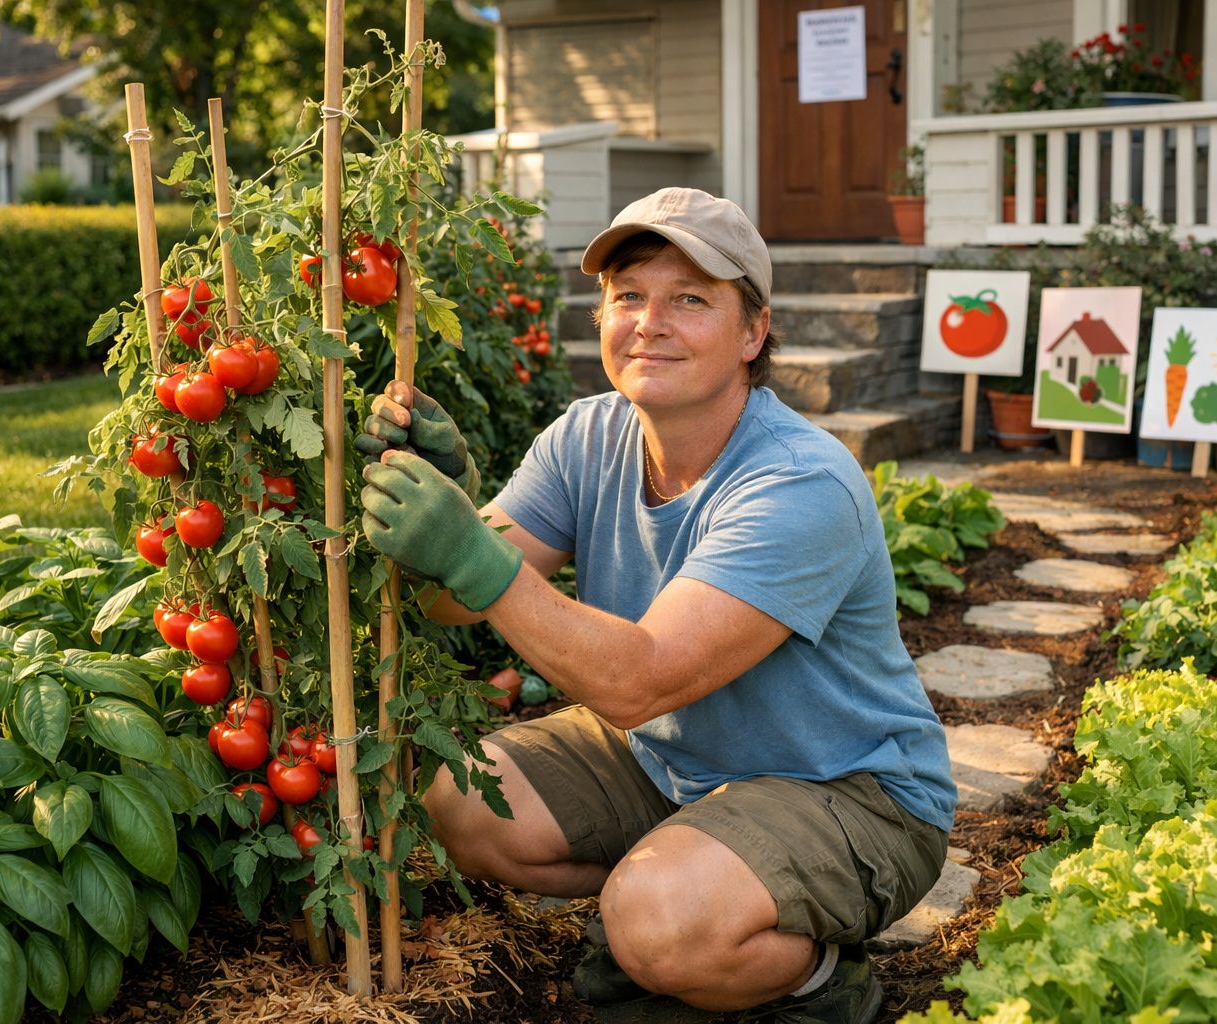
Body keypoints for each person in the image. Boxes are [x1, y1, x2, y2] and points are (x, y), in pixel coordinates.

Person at [355, 187, 955, 1023]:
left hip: (848, 790)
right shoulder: (586, 435)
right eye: (628, 296)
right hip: (668, 761)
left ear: (753, 332)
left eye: (691, 300)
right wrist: (445, 504)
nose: (650, 322)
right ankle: (686, 899)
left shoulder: (799, 481)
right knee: (461, 800)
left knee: (657, 922)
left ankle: (814, 974)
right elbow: (453, 604)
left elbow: (642, 680)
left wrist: (470, 551)